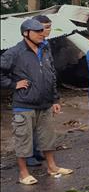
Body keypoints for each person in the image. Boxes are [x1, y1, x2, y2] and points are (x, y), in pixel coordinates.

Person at [0, 19, 73, 185]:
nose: (42, 34)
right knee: (23, 139)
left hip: (45, 103)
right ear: (26, 33)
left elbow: (51, 74)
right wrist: (12, 84)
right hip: (24, 104)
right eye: (37, 31)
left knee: (47, 138)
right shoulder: (15, 52)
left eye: (42, 30)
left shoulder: (45, 49)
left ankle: (52, 167)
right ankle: (23, 173)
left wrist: (55, 98)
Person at [22, 15, 54, 167]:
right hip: (29, 95)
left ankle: (37, 152)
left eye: (48, 27)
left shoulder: (46, 46)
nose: (45, 31)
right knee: (28, 127)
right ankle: (28, 155)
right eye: (42, 28)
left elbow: (50, 70)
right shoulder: (22, 48)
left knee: (41, 126)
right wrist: (14, 84)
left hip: (43, 94)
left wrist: (54, 97)